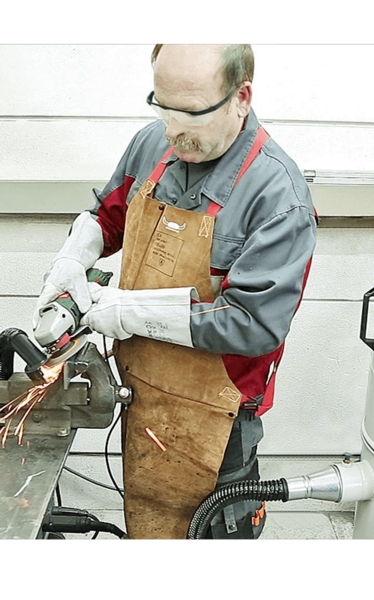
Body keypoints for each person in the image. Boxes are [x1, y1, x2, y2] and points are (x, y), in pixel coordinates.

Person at [34, 44, 317, 539]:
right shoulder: (152, 144)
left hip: (216, 422)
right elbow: (108, 215)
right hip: (142, 397)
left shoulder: (279, 199)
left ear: (241, 98)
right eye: (162, 106)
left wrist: (127, 312)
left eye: (190, 112)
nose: (172, 129)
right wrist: (72, 260)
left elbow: (253, 325)